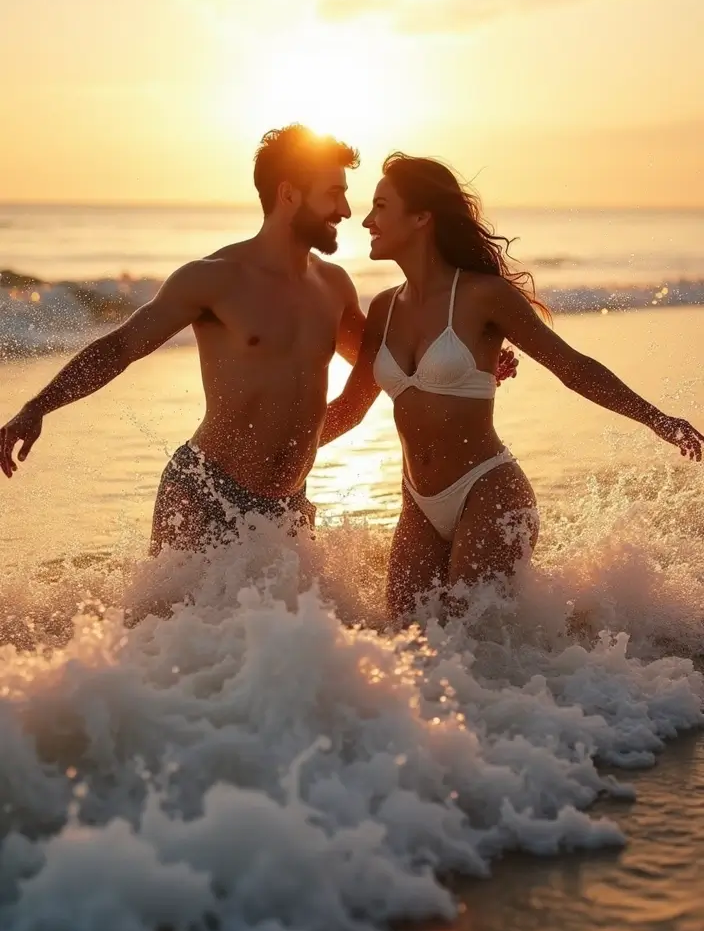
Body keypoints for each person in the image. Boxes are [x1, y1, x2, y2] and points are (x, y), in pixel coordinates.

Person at [0, 123, 518, 558]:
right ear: (289, 192)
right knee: (171, 653)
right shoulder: (213, 279)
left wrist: (466, 357)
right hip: (204, 492)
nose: (344, 209)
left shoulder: (333, 287)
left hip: (290, 506)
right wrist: (38, 406)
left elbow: (382, 368)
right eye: (333, 192)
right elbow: (120, 347)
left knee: (284, 661)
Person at [320, 153, 704, 622]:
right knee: (405, 643)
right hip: (417, 506)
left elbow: (571, 366)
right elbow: (349, 410)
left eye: (380, 206)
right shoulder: (383, 308)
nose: (367, 220)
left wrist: (657, 419)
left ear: (421, 217)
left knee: (475, 649)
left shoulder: (484, 295)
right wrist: (253, 461)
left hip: (488, 493)